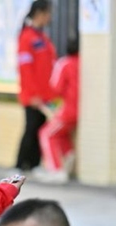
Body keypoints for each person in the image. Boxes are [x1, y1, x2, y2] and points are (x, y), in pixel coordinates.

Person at [15, 0, 55, 173]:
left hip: (45, 95)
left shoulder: (41, 37)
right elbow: (25, 69)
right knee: (31, 127)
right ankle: (21, 164)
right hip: (32, 96)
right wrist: (32, 95)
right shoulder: (27, 37)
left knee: (39, 126)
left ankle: (34, 164)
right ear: (39, 13)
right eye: (48, 13)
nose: (50, 17)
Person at [37, 37, 79, 183]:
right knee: (60, 133)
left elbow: (56, 88)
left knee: (46, 134)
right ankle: (69, 157)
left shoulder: (65, 63)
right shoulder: (85, 63)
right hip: (83, 111)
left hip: (68, 110)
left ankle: (56, 170)